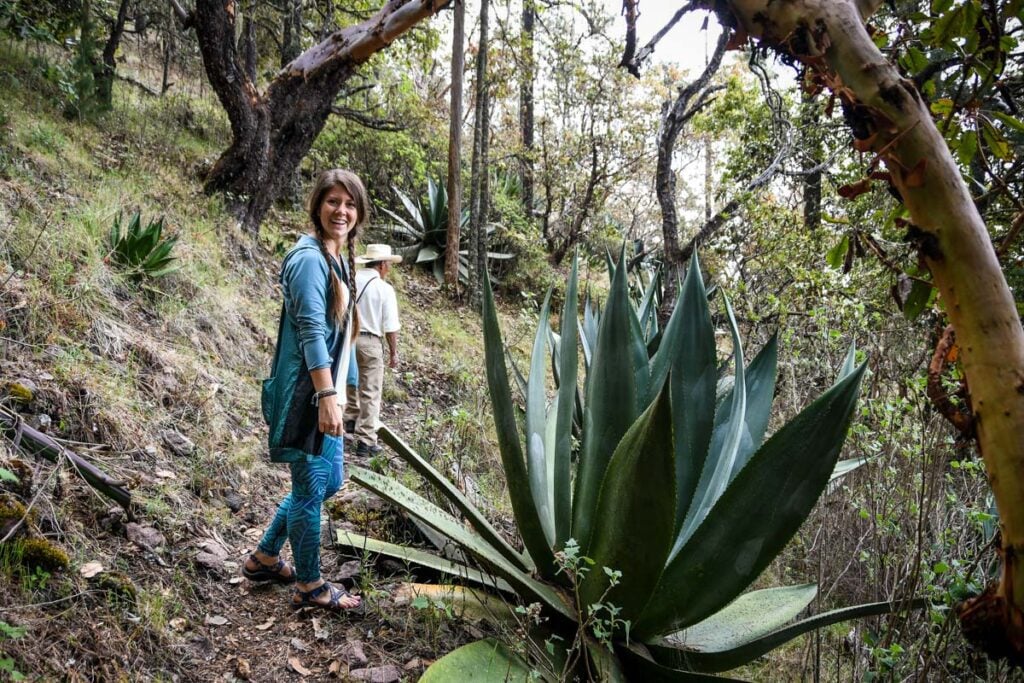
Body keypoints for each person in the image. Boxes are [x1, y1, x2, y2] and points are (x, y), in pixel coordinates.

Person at [242, 169, 365, 613]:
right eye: (333, 201)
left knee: (328, 480)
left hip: (324, 392)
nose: (342, 211)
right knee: (312, 487)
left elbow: (342, 336)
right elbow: (312, 330)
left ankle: (265, 556)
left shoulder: (334, 259)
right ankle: (310, 586)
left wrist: (343, 390)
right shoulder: (309, 259)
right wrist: (327, 395)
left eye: (350, 204)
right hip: (306, 396)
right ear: (317, 206)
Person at [344, 244, 401, 458]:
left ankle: (349, 422)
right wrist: (393, 352)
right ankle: (366, 440)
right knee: (370, 390)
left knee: (350, 380)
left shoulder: (351, 280)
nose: (389, 269)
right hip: (370, 341)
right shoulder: (384, 289)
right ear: (382, 264)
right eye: (389, 265)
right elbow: (390, 326)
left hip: (348, 338)